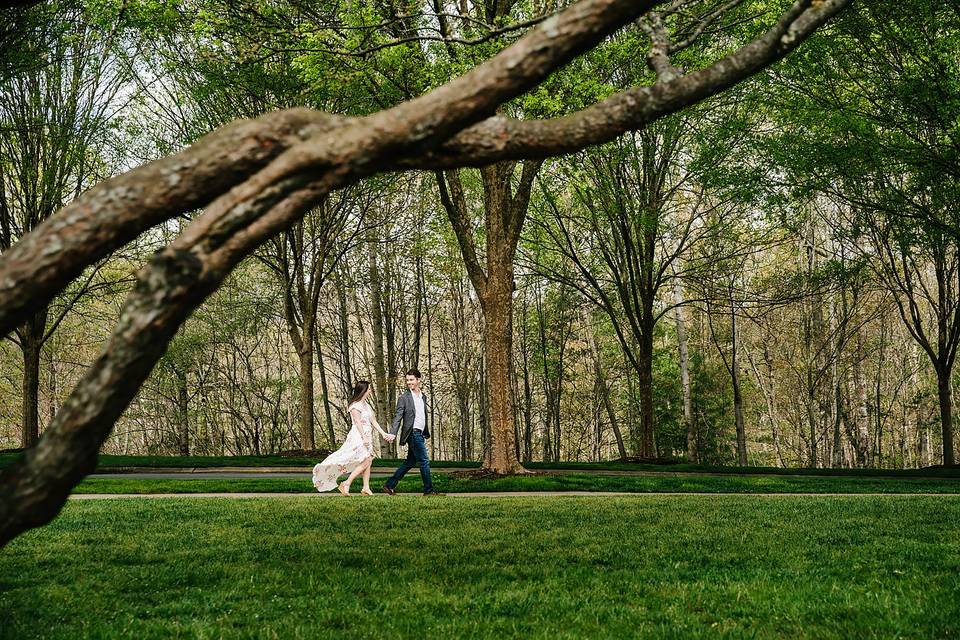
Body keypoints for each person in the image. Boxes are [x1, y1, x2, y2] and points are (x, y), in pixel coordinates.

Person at [312, 380, 395, 496]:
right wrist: (364, 437)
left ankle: (366, 487)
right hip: (358, 435)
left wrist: (383, 433)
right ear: (363, 391)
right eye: (369, 389)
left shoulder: (367, 405)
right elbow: (357, 422)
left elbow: (373, 421)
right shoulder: (355, 405)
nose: (370, 391)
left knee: (368, 460)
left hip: (367, 434)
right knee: (367, 459)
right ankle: (347, 483)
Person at [383, 368, 441, 496]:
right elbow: (398, 417)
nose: (409, 382)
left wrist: (425, 431)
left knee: (410, 462)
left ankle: (389, 485)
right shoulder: (404, 398)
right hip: (412, 433)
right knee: (424, 461)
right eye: (407, 380)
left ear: (418, 380)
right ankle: (429, 490)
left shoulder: (423, 397)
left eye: (412, 380)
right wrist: (393, 433)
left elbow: (422, 415)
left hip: (419, 433)